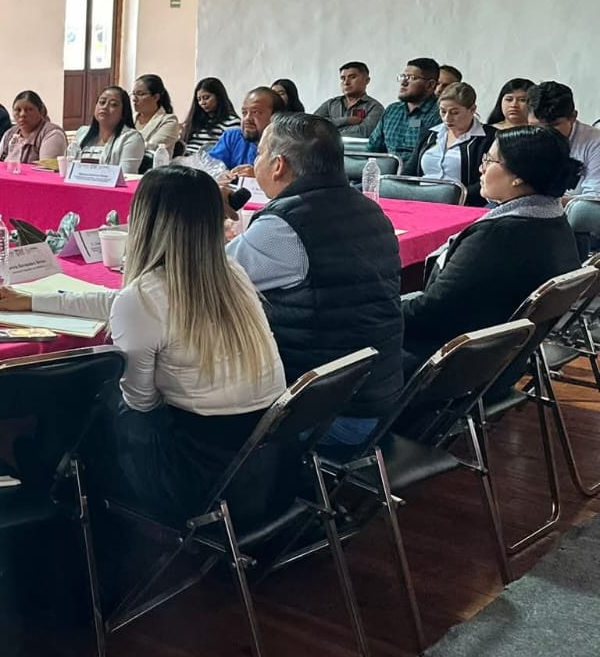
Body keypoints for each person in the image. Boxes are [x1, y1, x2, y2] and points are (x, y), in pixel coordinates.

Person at [0, 165, 285, 524]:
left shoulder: (146, 297)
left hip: (189, 479)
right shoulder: (230, 274)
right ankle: (44, 466)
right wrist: (34, 300)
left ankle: (47, 491)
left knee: (82, 397)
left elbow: (139, 404)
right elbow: (123, 302)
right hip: (259, 472)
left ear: (145, 221)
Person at [227, 113, 404, 446]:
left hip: (324, 415)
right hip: (378, 397)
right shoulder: (370, 210)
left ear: (278, 165)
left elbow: (204, 282)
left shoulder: (286, 225)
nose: (256, 161)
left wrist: (206, 220)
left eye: (261, 153)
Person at [399, 125, 582, 376]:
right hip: (498, 362)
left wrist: (378, 313)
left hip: (450, 364)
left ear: (518, 176)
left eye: (490, 160)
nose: (481, 168)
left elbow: (433, 311)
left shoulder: (500, 235)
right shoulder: (552, 219)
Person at [407, 81, 492, 205]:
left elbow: (488, 181)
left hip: (462, 203)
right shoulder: (430, 135)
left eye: (454, 112)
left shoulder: (488, 138)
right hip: (421, 199)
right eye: (443, 111)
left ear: (472, 110)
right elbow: (409, 171)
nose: (447, 118)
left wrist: (453, 197)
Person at [527, 80, 600, 199]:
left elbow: (594, 199)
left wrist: (548, 203)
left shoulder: (595, 143)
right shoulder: (522, 140)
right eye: (536, 127)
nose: (544, 133)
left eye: (553, 126)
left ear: (573, 117)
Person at [367, 58, 442, 160]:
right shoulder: (392, 111)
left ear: (430, 85)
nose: (403, 83)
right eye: (403, 77)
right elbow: (373, 148)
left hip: (420, 174)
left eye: (411, 78)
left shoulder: (441, 114)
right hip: (387, 173)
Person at [70, 86, 146, 175]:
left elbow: (126, 176)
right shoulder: (82, 132)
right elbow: (68, 166)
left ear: (123, 112)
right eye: (102, 102)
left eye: (113, 104)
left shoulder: (131, 138)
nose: (105, 107)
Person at [210, 87, 282, 176]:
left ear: (276, 117)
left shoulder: (285, 146)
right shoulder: (231, 137)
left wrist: (258, 177)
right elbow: (211, 166)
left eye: (255, 112)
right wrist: (222, 175)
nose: (247, 118)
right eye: (244, 113)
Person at [313, 61, 386, 139]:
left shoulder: (375, 108)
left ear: (367, 80)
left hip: (355, 151)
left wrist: (325, 130)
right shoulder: (331, 104)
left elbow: (362, 133)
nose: (346, 82)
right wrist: (346, 120)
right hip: (326, 150)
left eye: (352, 77)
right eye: (343, 78)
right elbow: (311, 124)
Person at [0, 90, 67, 163]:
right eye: (18, 110)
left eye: (29, 110)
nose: (22, 114)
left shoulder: (52, 134)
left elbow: (47, 171)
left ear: (41, 111)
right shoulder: (9, 134)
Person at [180, 77, 239, 157]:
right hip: (184, 160)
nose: (202, 103)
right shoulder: (195, 120)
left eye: (206, 98)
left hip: (209, 164)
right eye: (199, 99)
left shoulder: (232, 122)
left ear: (218, 96)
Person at [131, 74, 181, 156]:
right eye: (134, 94)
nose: (134, 99)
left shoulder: (169, 121)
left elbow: (152, 147)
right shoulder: (131, 118)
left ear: (156, 97)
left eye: (140, 94)